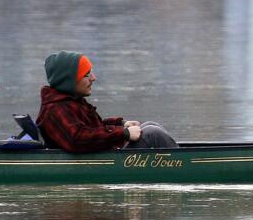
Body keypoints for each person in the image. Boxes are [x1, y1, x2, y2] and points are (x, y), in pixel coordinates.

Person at [36, 51, 176, 153]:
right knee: (152, 133)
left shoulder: (70, 101)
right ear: (68, 81)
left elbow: (92, 128)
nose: (93, 78)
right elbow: (77, 139)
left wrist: (120, 124)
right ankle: (188, 165)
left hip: (98, 155)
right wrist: (123, 134)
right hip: (92, 165)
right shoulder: (56, 109)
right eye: (87, 75)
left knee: (150, 125)